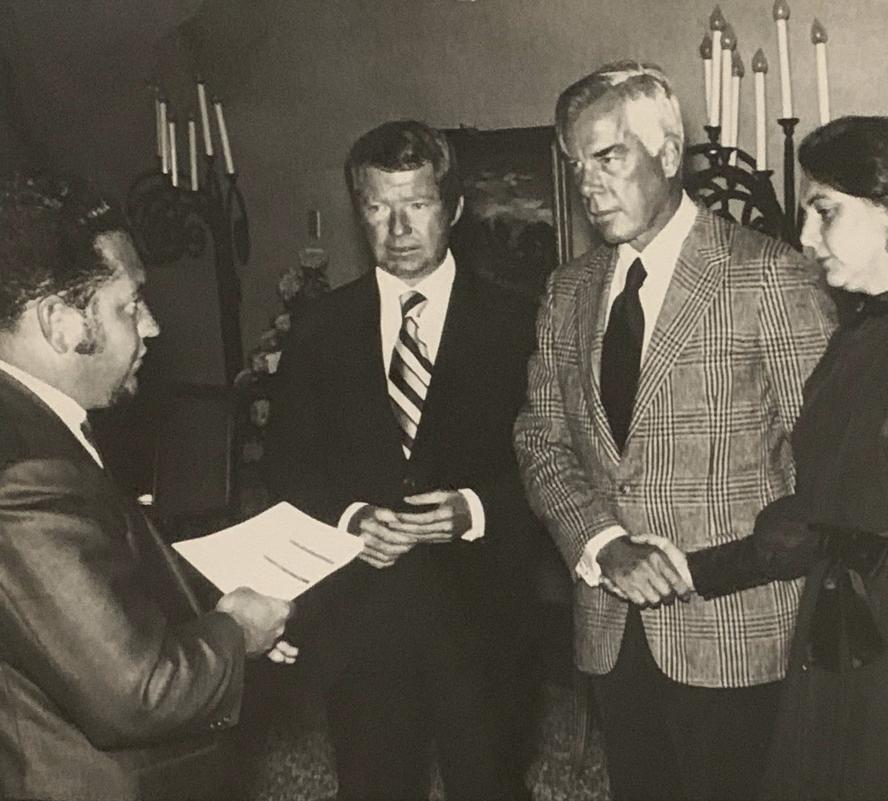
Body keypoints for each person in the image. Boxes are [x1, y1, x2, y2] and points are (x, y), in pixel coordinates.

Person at [512, 62, 836, 801]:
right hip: (610, 630)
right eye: (575, 165)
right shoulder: (568, 291)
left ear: (667, 153)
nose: (588, 185)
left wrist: (720, 565)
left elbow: (827, 470)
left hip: (740, 634)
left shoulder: (771, 278)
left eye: (608, 157)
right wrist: (601, 542)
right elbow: (541, 442)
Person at [637, 115, 888, 801]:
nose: (807, 239)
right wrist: (693, 569)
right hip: (846, 628)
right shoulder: (857, 334)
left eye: (824, 212)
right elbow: (822, 513)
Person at [0, 172, 296, 800]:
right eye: (130, 306)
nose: (153, 327)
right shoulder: (27, 473)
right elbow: (137, 690)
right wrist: (235, 633)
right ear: (59, 323)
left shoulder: (29, 425)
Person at [265, 120, 537, 800]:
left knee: (491, 784)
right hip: (362, 624)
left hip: (484, 618)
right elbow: (287, 466)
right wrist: (351, 516)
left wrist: (471, 509)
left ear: (453, 208)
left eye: (415, 203)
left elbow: (554, 466)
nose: (397, 227)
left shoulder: (521, 324)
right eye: (377, 207)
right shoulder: (319, 327)